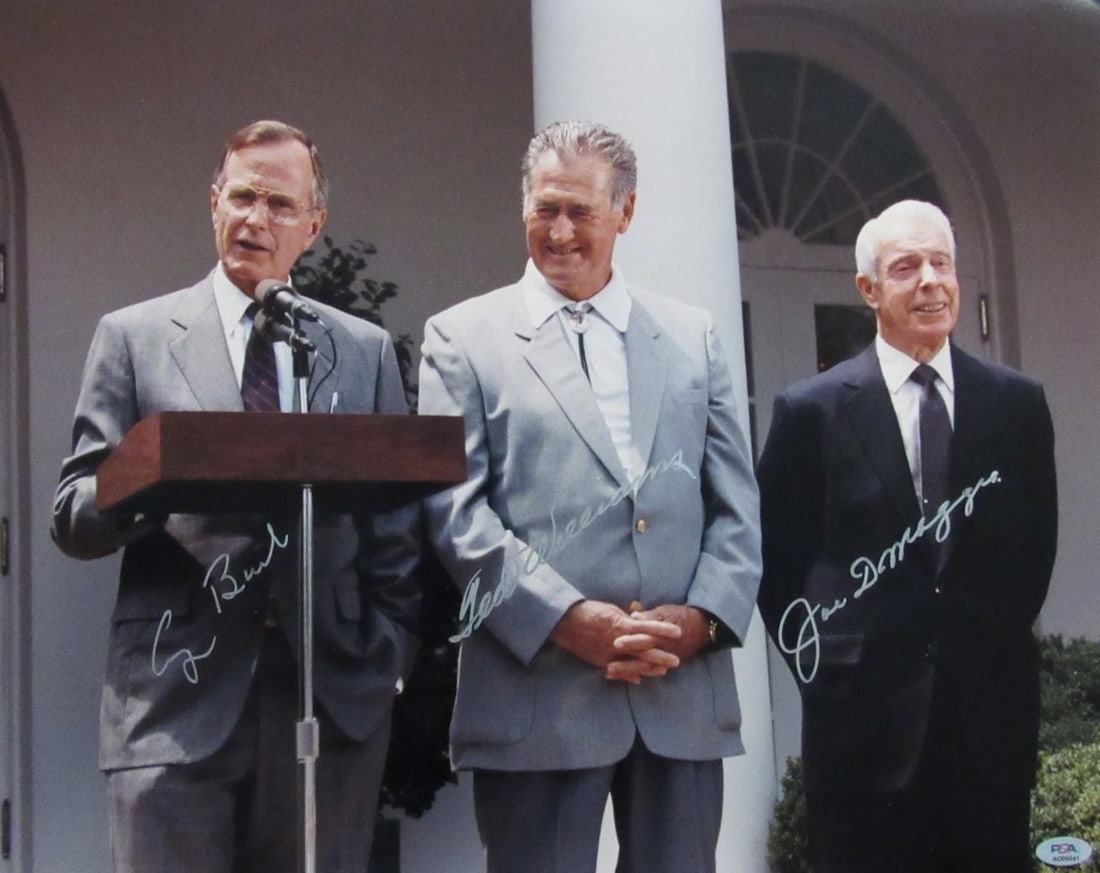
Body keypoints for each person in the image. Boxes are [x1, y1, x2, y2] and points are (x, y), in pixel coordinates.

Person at [51, 120, 421, 873]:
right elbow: (72, 511)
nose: (256, 218)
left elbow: (397, 527)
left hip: (324, 699)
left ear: (312, 226)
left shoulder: (358, 350)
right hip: (173, 699)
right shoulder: (135, 337)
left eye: (279, 204)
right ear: (213, 201)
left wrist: (389, 656)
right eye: (242, 195)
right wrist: (151, 473)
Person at [418, 120, 761, 873]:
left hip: (680, 696)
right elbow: (456, 514)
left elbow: (737, 509)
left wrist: (699, 621)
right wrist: (571, 622)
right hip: (536, 697)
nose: (561, 230)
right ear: (523, 210)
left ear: (626, 213)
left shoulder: (693, 336)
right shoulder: (461, 339)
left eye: (582, 210)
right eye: (546, 209)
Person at [756, 200, 1058, 873]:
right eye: (906, 267)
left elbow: (1032, 555)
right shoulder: (812, 411)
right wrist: (832, 671)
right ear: (869, 290)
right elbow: (776, 568)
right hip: (858, 741)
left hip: (988, 735)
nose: (929, 280)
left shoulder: (1016, 405)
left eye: (941, 263)